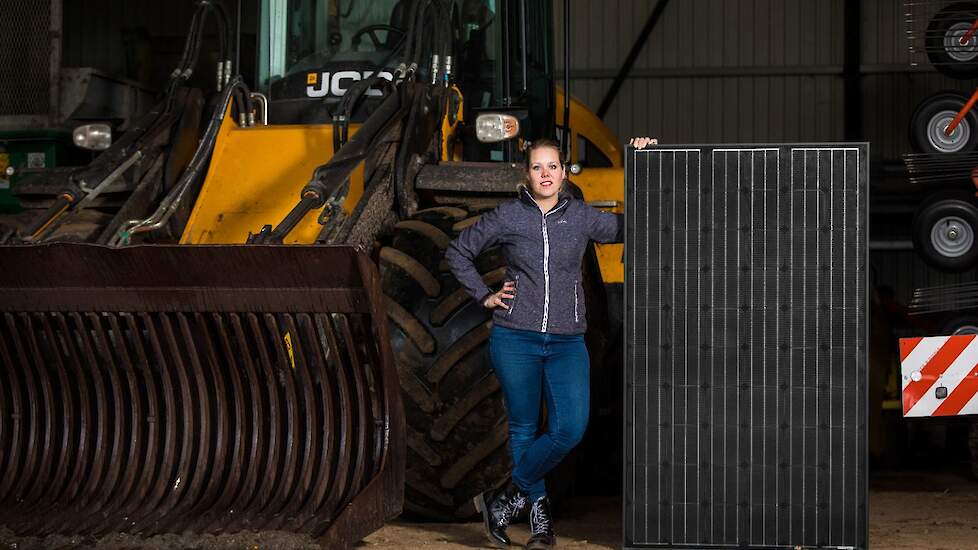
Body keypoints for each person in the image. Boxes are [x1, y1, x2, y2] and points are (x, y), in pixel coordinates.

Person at [445, 136, 656, 549]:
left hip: (565, 342)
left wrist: (642, 162)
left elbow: (631, 226)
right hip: (514, 338)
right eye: (537, 167)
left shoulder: (581, 217)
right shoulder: (507, 217)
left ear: (564, 172)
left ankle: (502, 497)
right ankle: (541, 526)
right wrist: (483, 295)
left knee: (569, 429)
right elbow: (458, 252)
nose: (546, 174)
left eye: (553, 167)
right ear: (526, 174)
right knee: (524, 429)